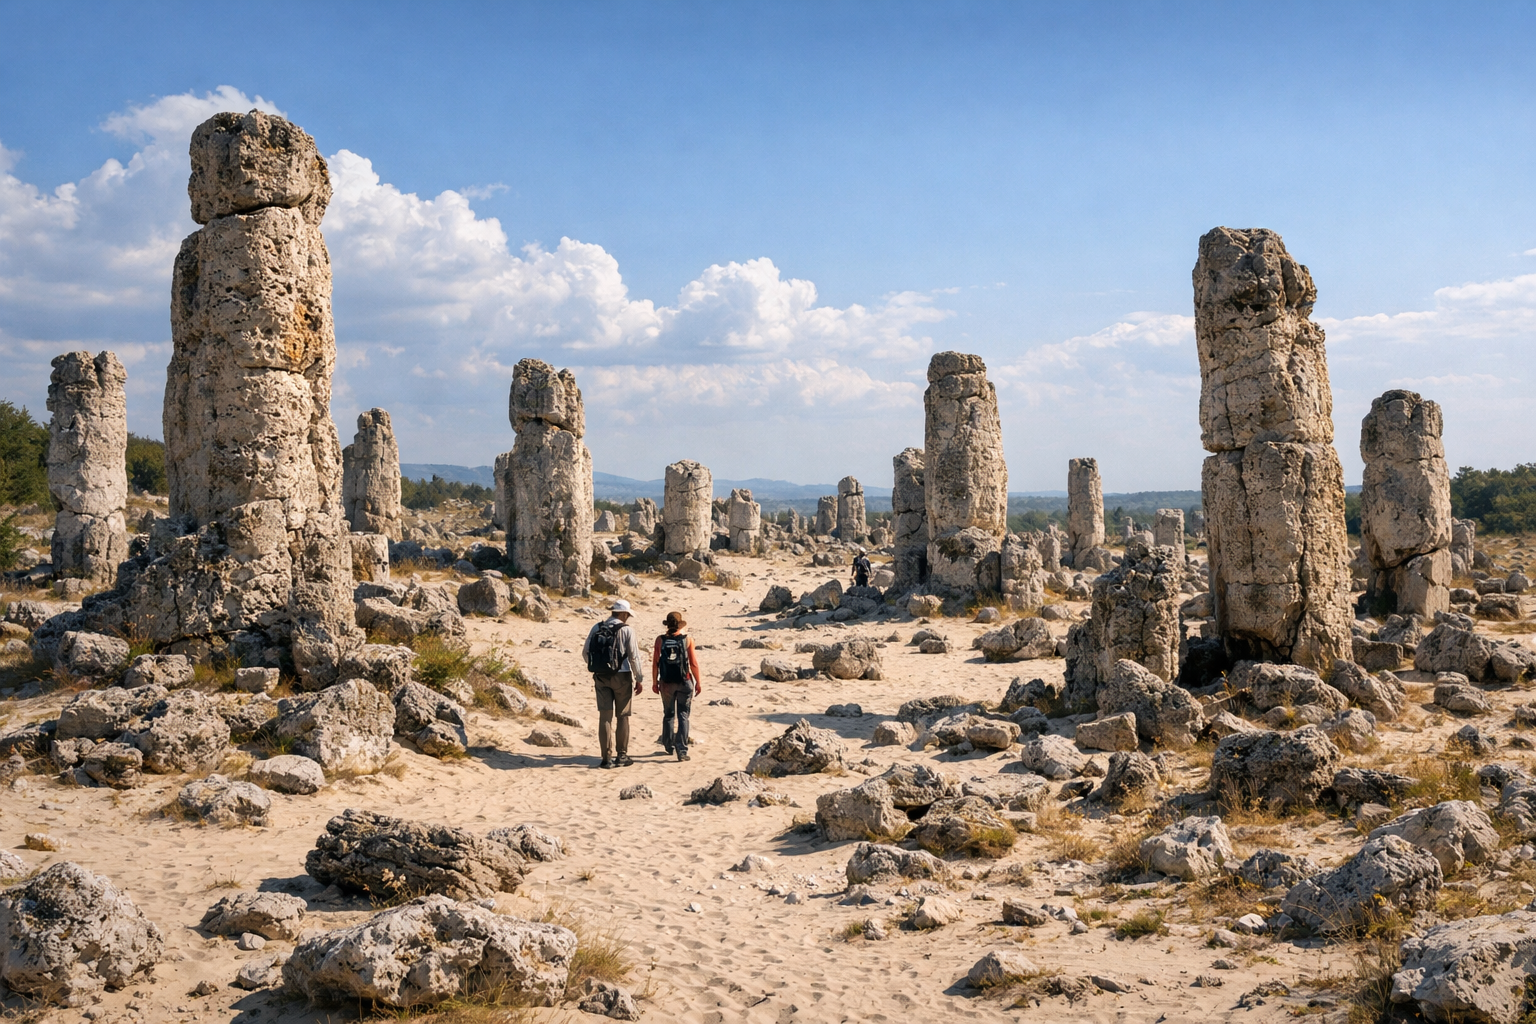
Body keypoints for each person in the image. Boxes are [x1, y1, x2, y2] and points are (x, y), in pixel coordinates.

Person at [582, 599, 644, 769]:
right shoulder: (627, 630)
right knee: (623, 716)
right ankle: (622, 755)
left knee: (605, 717)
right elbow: (634, 656)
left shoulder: (597, 627)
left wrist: (597, 667)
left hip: (601, 676)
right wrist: (639, 678)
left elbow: (585, 652)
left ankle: (606, 758)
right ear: (624, 614)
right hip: (622, 676)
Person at [651, 611, 702, 761]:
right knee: (683, 715)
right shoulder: (688, 640)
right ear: (680, 625)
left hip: (666, 682)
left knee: (668, 714)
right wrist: (698, 682)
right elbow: (693, 663)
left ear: (667, 625)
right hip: (684, 681)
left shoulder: (660, 640)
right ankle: (682, 750)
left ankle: (668, 745)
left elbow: (655, 663)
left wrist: (655, 682)